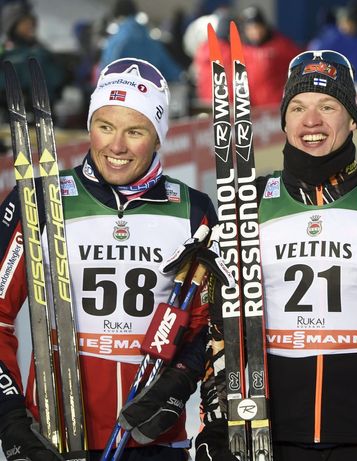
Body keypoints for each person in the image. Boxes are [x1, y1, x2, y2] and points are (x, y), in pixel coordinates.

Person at [195, 50, 357, 461]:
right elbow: (220, 327)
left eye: (328, 106)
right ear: (284, 120)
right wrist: (217, 422)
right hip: (267, 438)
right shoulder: (247, 205)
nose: (311, 121)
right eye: (298, 107)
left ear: (353, 118)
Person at [0, 58, 217, 460]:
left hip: (154, 442)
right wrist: (10, 417)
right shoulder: (38, 203)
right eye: (105, 127)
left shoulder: (193, 211)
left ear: (158, 137)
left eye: (134, 131)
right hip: (53, 437)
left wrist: (179, 384)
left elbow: (210, 324)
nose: (116, 146)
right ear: (89, 128)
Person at [193, 5, 301, 108]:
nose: (256, 32)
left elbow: (299, 64)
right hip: (247, 108)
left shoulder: (280, 45)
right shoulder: (238, 49)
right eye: (251, 29)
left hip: (276, 106)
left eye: (258, 27)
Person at [0, 1, 66, 111]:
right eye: (24, 23)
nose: (30, 26)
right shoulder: (5, 52)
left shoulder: (41, 51)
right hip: (11, 115)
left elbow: (57, 78)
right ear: (12, 26)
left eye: (32, 23)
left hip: (43, 113)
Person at [97, 0, 184, 83]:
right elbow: (170, 69)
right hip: (148, 92)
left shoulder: (116, 40)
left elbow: (106, 70)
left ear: (117, 16)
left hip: (122, 91)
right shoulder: (150, 39)